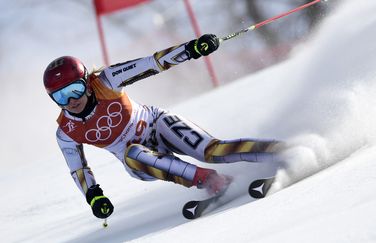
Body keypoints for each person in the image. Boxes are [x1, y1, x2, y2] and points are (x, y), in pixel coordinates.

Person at [43, 34, 286, 220]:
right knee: (133, 154)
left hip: (157, 124)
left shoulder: (107, 80)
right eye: (60, 97)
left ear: (86, 83)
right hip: (139, 161)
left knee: (212, 152)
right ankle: (213, 181)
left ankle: (281, 150)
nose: (71, 101)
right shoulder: (66, 132)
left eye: (74, 90)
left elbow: (152, 63)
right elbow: (79, 170)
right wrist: (94, 197)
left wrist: (191, 49)